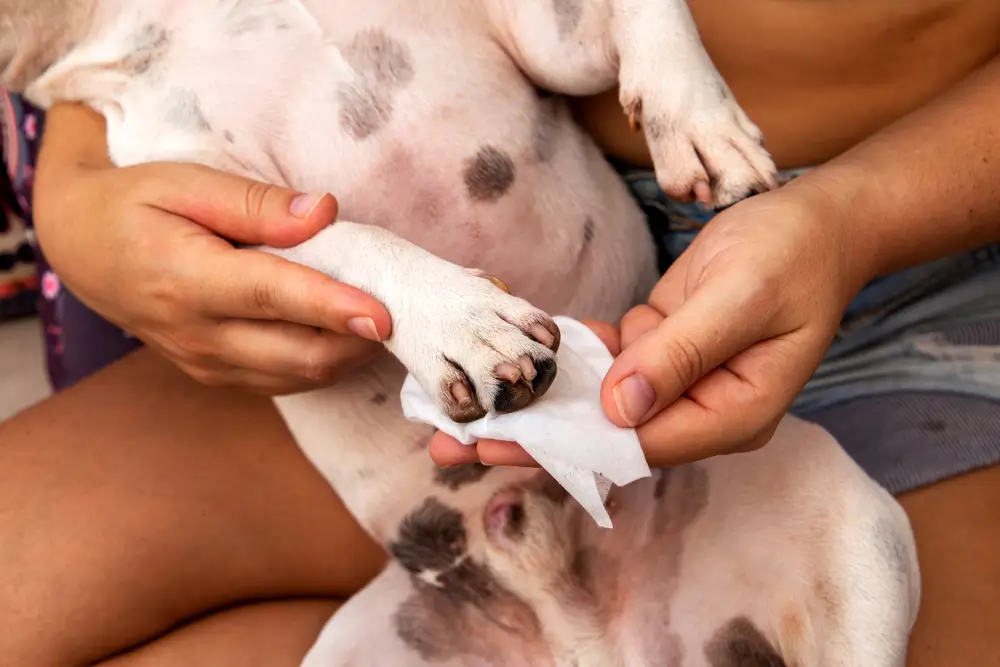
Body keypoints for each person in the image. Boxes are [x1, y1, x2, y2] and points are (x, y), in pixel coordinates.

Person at [1, 2, 999, 664]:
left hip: (920, 260)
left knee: (854, 564)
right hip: (425, 400)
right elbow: (122, 51)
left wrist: (851, 220)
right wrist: (77, 203)